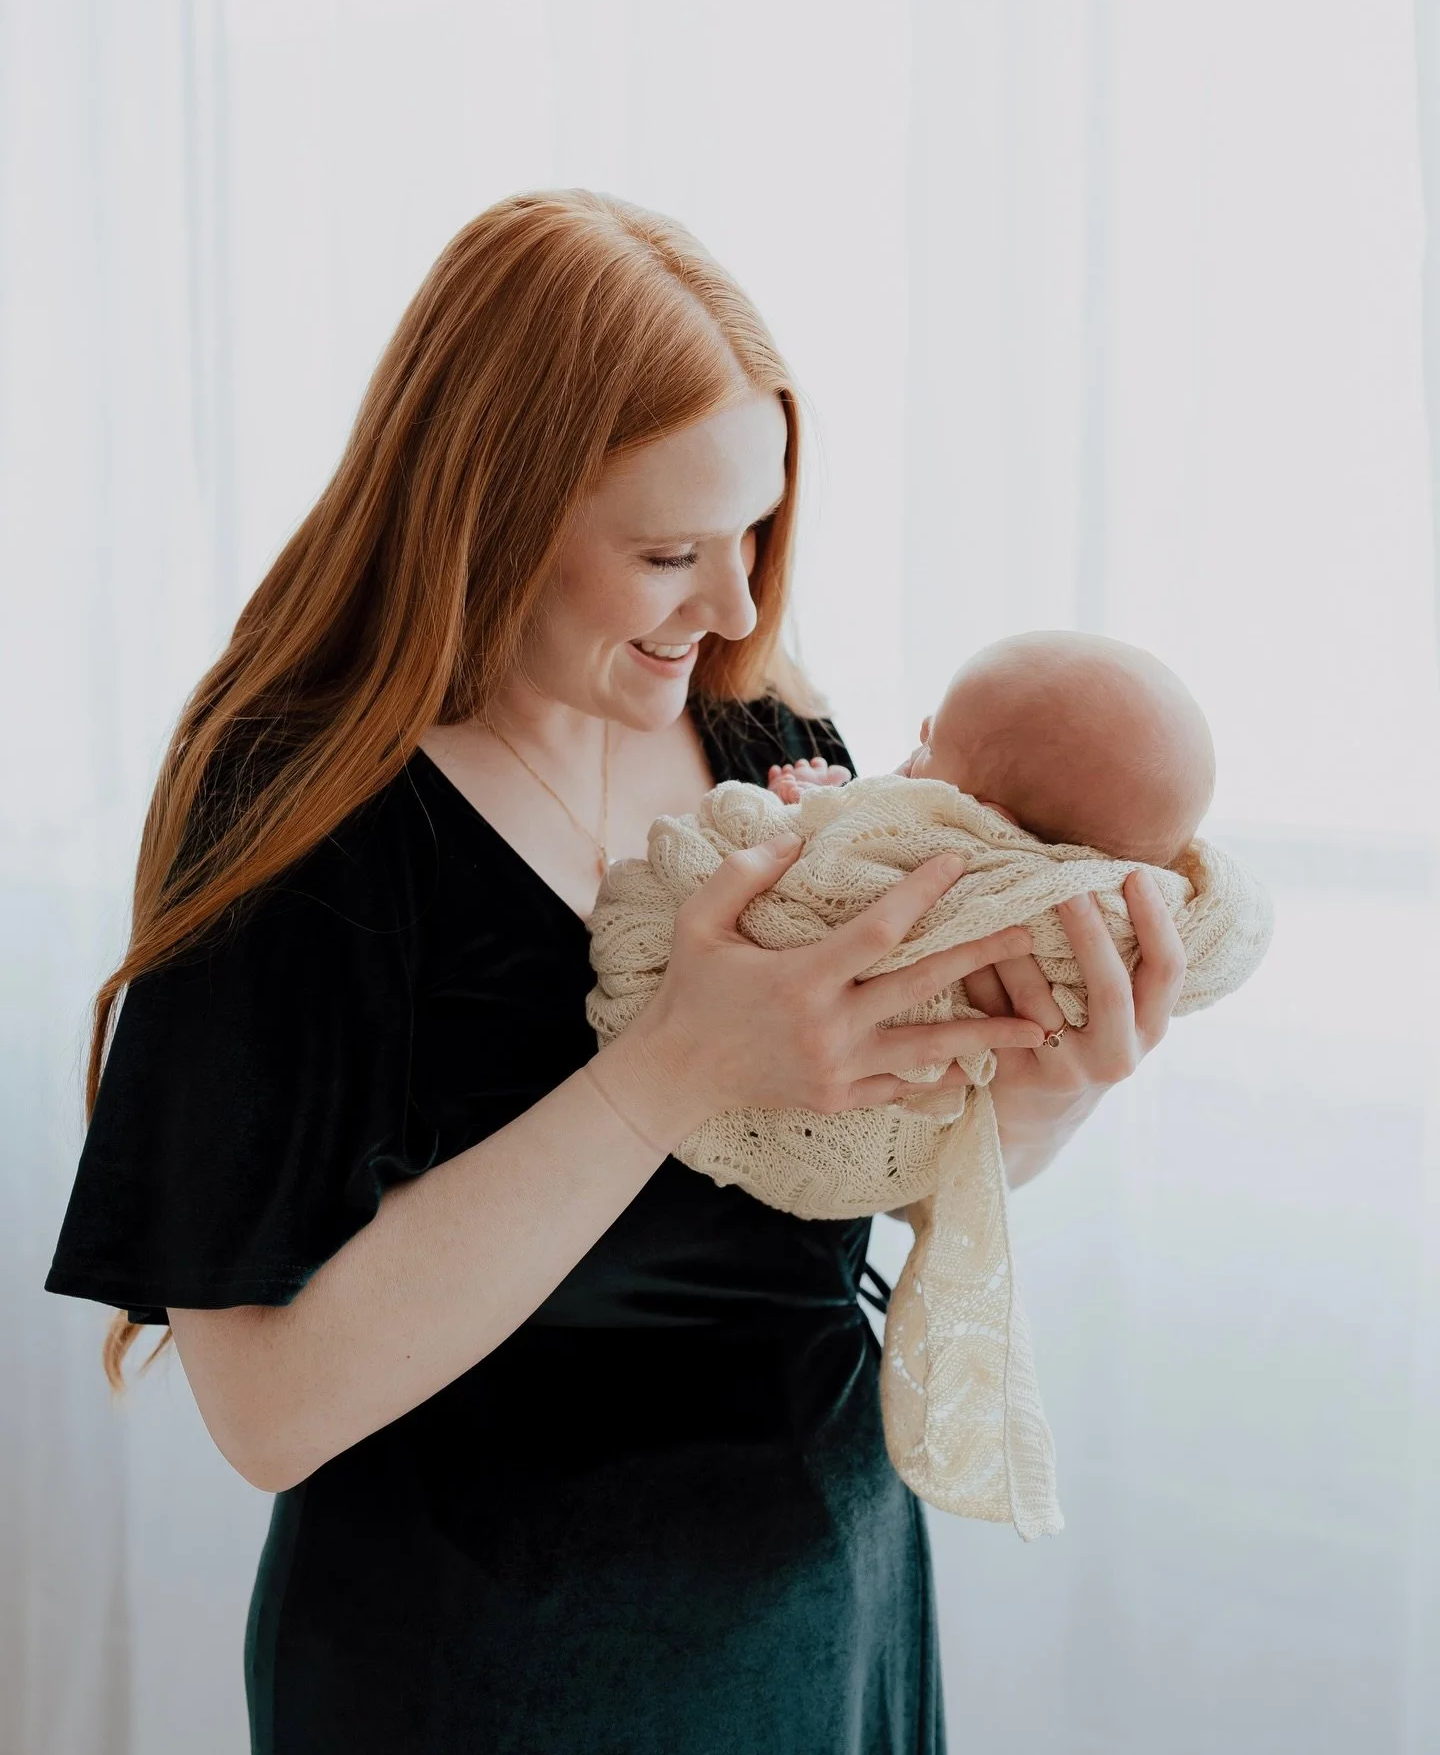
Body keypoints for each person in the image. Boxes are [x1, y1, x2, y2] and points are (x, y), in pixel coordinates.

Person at [42, 190, 1187, 1755]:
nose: (732, 609)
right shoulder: (301, 814)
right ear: (486, 510)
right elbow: (266, 1412)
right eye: (667, 552)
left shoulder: (768, 741)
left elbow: (871, 1173)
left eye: (757, 534)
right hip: (489, 1661)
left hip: (828, 1614)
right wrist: (664, 1076)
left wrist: (1043, 1094)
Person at [767, 628, 1216, 866]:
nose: (921, 730)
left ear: (984, 820)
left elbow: (831, 858)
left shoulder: (938, 858)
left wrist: (810, 811)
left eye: (934, 743)